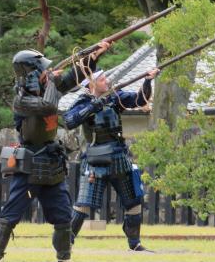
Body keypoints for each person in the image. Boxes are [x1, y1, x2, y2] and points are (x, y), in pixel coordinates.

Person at [0, 42, 110, 262]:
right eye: (42, 70)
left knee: (63, 215)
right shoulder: (22, 99)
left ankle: (64, 261)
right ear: (31, 74)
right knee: (12, 213)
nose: (47, 73)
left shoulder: (48, 87)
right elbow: (48, 105)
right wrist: (52, 81)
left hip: (51, 162)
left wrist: (93, 58)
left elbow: (73, 78)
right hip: (30, 162)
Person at [64, 69, 158, 251]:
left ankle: (135, 244)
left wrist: (147, 82)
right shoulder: (83, 102)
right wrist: (92, 107)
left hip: (119, 156)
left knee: (134, 201)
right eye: (102, 79)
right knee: (83, 204)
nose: (106, 81)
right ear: (91, 84)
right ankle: (65, 243)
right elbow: (69, 121)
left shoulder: (115, 97)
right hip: (95, 159)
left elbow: (140, 100)